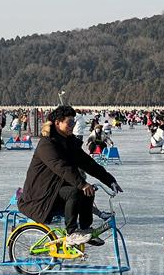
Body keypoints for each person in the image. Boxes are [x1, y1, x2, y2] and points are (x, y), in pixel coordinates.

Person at [18, 105, 122, 246]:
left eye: (74, 123)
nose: (72, 126)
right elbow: (61, 167)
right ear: (57, 123)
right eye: (69, 123)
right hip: (39, 197)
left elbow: (88, 163)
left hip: (54, 191)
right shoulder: (47, 144)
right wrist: (81, 184)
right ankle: (72, 233)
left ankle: (85, 230)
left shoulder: (69, 142)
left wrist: (109, 180)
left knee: (88, 191)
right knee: (75, 191)